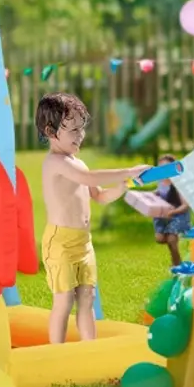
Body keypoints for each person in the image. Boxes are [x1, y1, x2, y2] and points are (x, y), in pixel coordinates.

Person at [36, 93, 150, 344]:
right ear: (50, 131)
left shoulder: (78, 163)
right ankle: (57, 353)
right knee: (64, 300)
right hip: (61, 242)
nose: (81, 135)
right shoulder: (55, 162)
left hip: (83, 243)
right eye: (74, 130)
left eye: (82, 128)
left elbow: (99, 195)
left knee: (87, 298)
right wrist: (129, 170)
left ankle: (91, 349)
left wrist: (123, 186)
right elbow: (89, 179)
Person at [152, 154, 192, 266]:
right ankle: (176, 254)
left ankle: (177, 264)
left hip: (178, 215)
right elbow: (160, 192)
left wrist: (172, 212)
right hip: (164, 215)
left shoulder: (178, 184)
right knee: (160, 238)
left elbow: (185, 205)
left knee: (171, 240)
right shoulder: (161, 182)